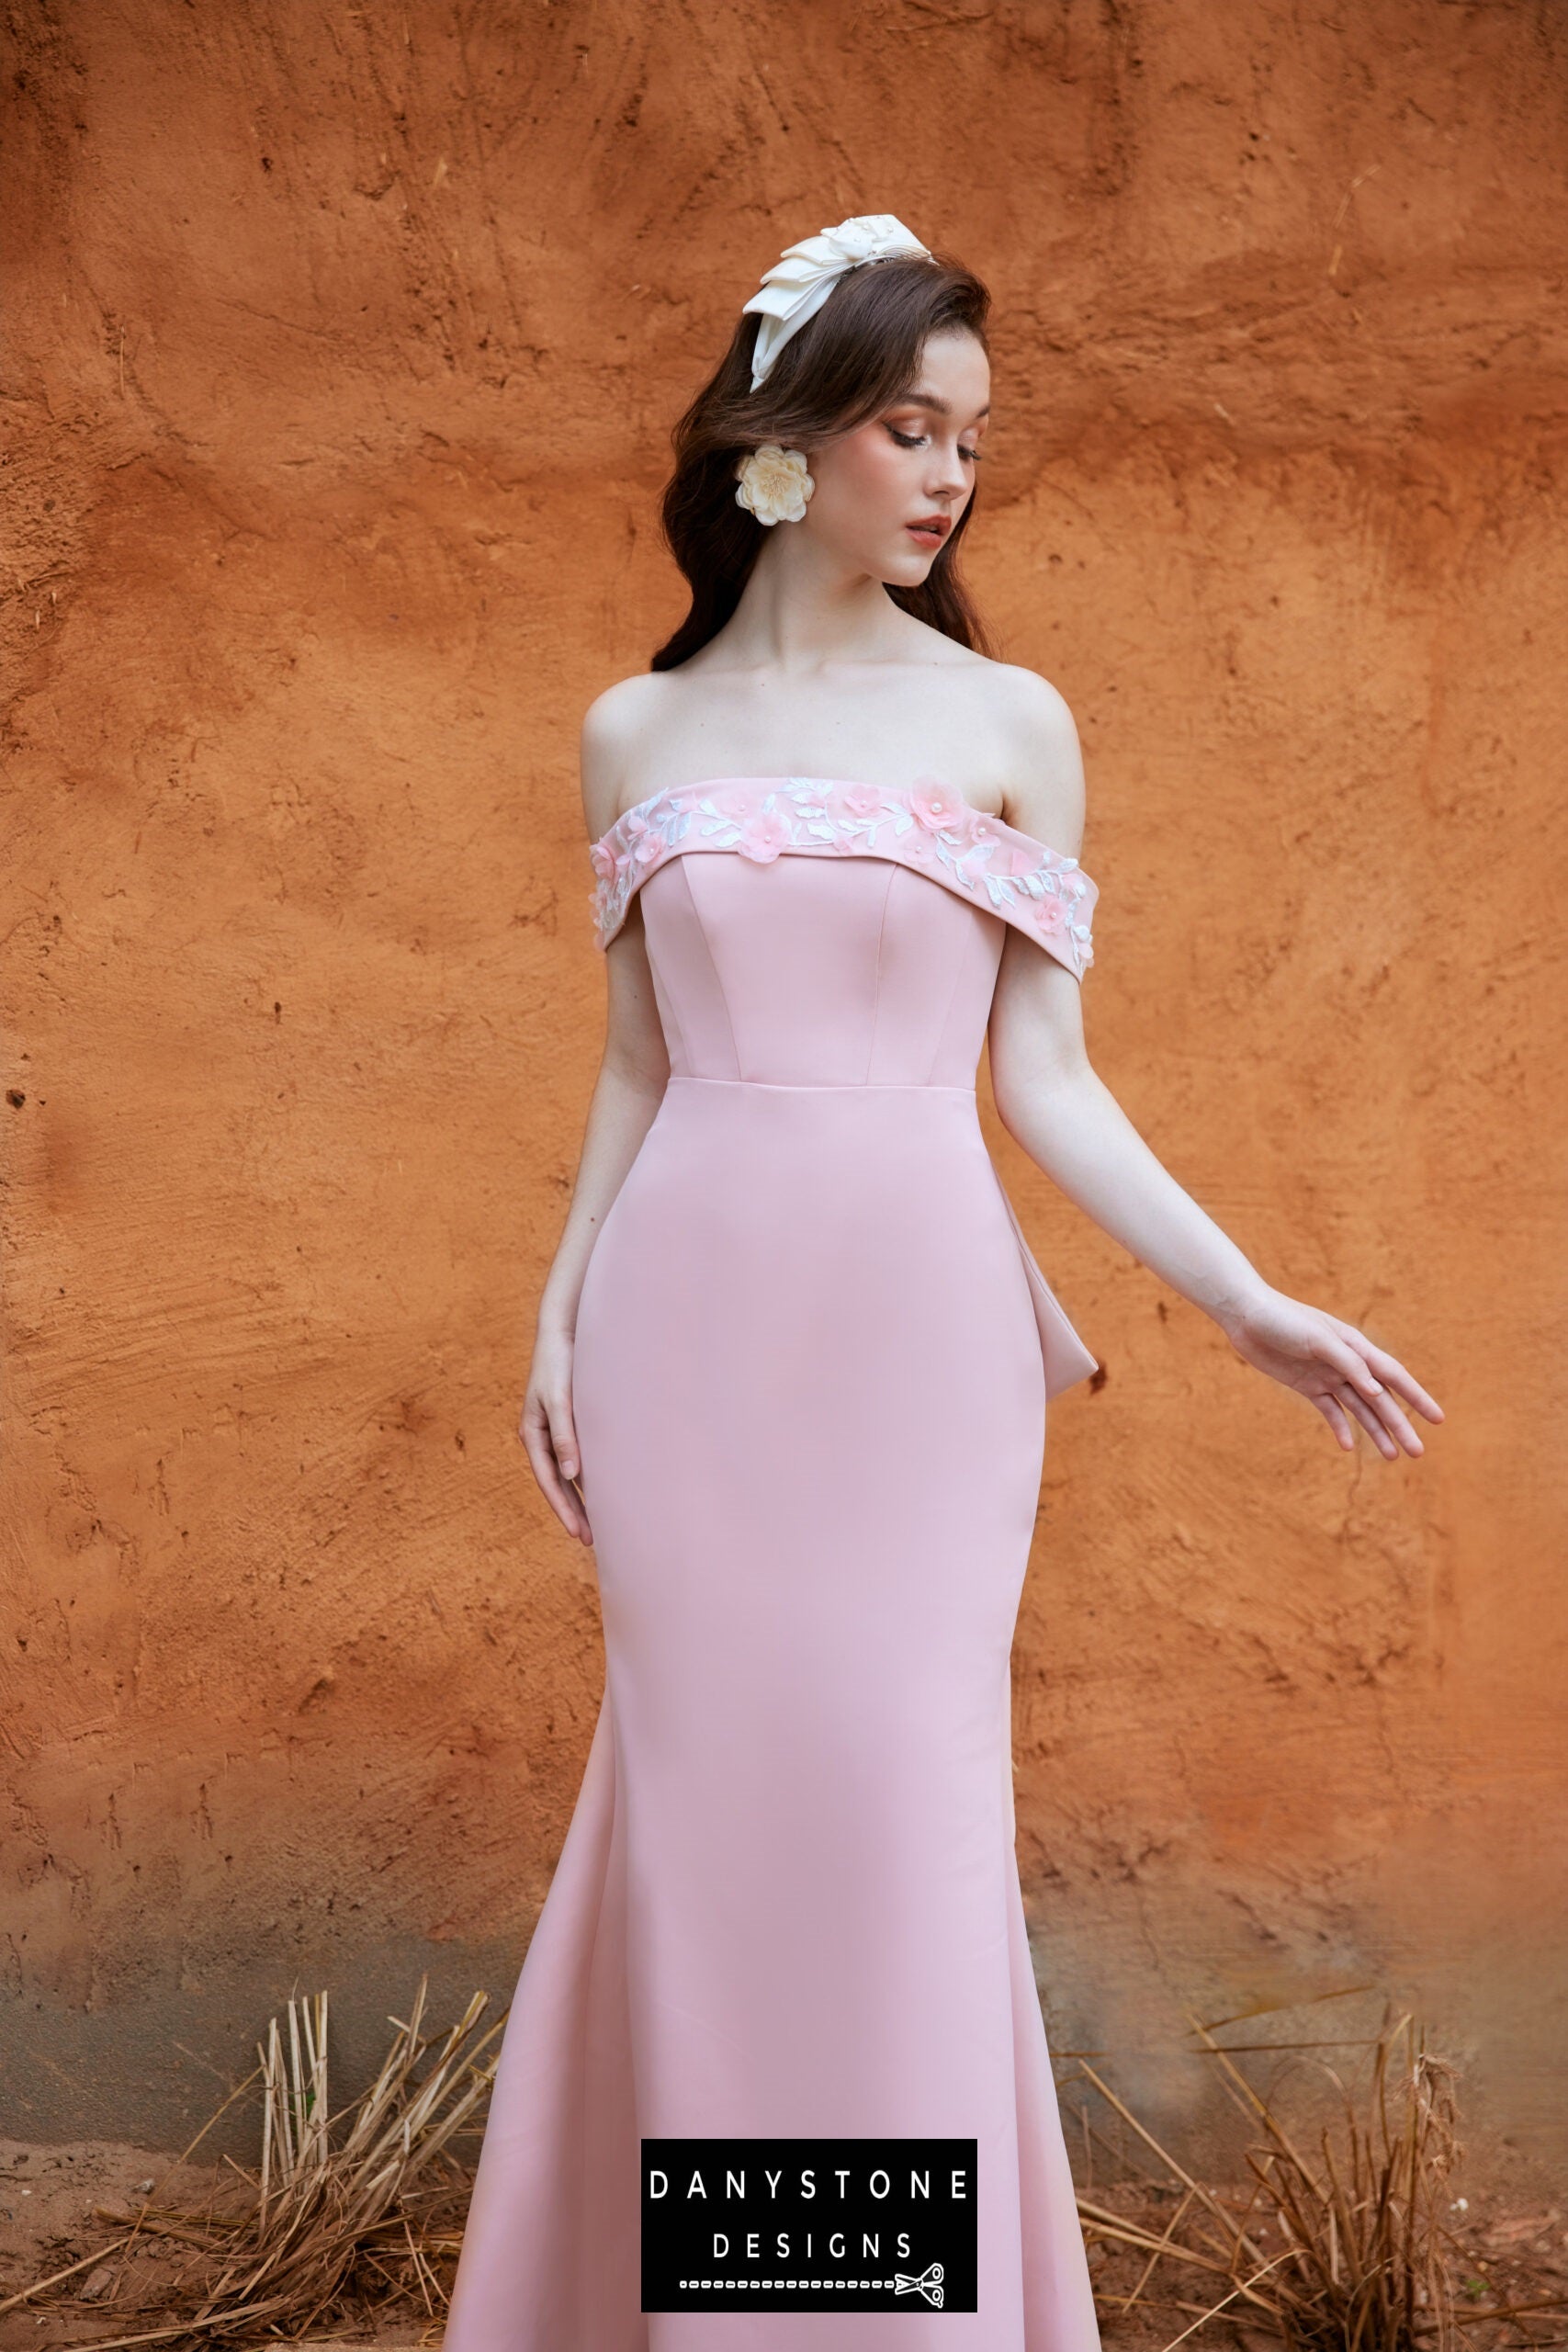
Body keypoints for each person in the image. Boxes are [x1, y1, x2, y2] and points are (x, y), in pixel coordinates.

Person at [440, 216, 1443, 2352]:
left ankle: (888, 2323)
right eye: (911, 427)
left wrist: (1244, 1298)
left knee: (892, 1817)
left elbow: (1049, 1084)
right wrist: (553, 1310)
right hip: (682, 1335)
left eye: (971, 438)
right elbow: (633, 1063)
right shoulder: (634, 729)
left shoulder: (1006, 719)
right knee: (704, 1827)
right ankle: (708, 2322)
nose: (951, 475)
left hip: (913, 1345)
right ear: (783, 441)